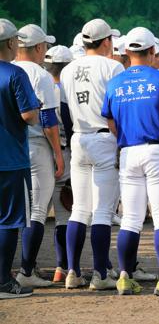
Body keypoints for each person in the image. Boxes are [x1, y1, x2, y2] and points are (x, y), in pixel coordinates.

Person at [101, 27, 159, 296]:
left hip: (129, 152)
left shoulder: (115, 82)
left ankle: (124, 277)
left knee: (130, 219)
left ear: (127, 52)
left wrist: (126, 137)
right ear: (153, 52)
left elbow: (110, 121)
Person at [60, 18, 124, 290]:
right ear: (107, 41)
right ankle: (99, 273)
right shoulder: (113, 66)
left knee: (79, 210)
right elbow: (119, 108)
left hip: (78, 138)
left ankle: (72, 272)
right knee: (101, 212)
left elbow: (63, 111)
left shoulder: (67, 69)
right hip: (104, 138)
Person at [12, 24, 64, 288]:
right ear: (39, 48)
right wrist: (57, 152)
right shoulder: (40, 75)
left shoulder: (7, 69)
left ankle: (8, 270)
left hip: (9, 146)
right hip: (35, 146)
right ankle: (27, 270)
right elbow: (47, 119)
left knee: (10, 211)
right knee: (37, 210)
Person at [0, 19, 40, 299]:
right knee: (10, 221)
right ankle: (3, 281)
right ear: (12, 43)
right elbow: (30, 115)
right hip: (11, 160)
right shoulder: (15, 74)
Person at [42, 45, 74, 284]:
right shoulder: (66, 91)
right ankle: (63, 267)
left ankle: (26, 268)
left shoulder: (39, 87)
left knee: (33, 215)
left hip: (40, 155)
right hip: (66, 153)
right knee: (66, 215)